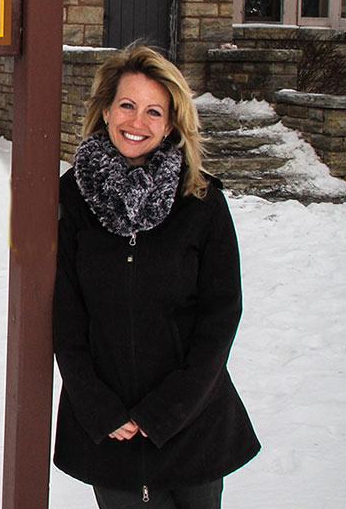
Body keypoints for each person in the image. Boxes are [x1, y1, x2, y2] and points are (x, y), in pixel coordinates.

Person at [53, 45, 260, 509]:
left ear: (170, 124)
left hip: (192, 425)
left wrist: (170, 409)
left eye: (153, 111)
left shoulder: (201, 200)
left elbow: (221, 315)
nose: (137, 122)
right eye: (127, 105)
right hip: (110, 430)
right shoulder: (70, 199)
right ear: (105, 110)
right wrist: (97, 407)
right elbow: (66, 317)